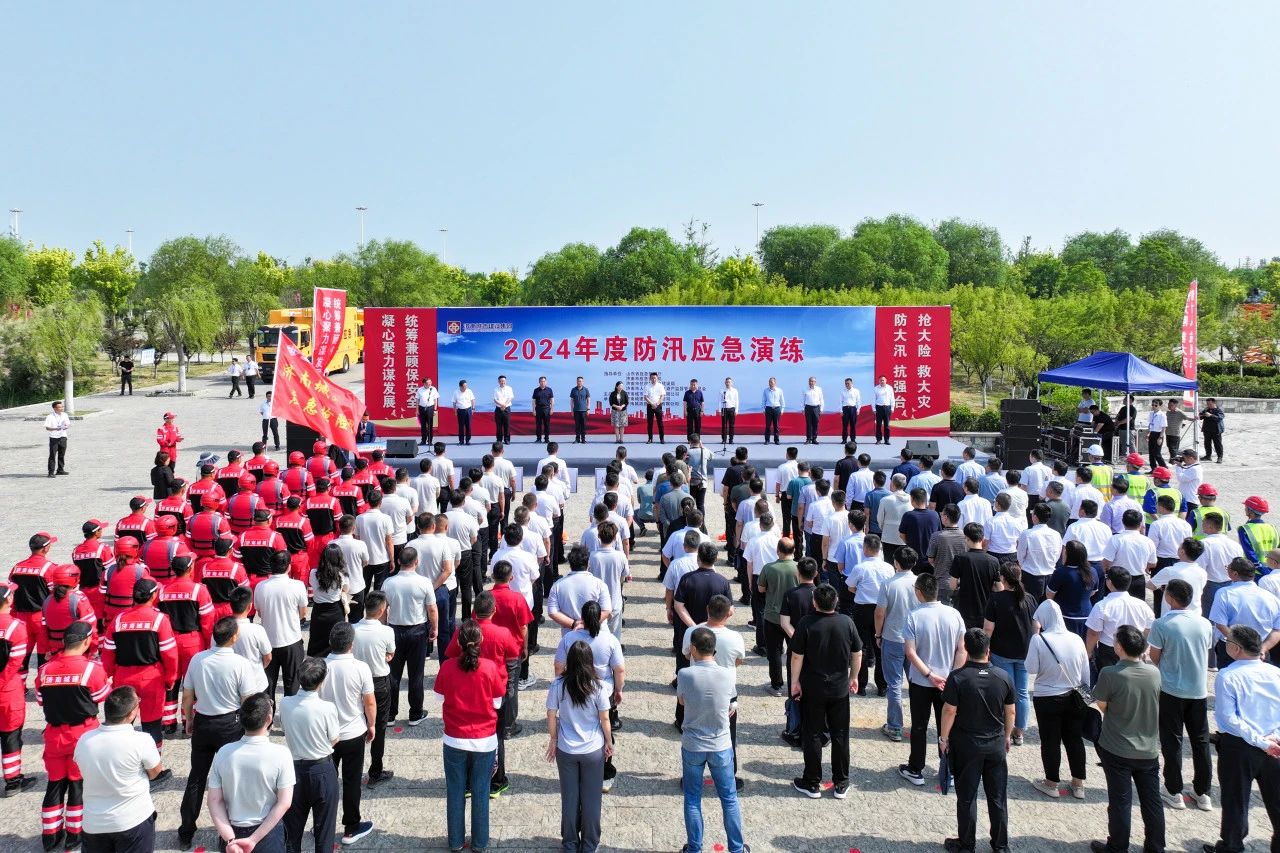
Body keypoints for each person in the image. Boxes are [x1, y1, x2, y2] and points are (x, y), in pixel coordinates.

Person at [178, 616, 268, 848]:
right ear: (234, 637)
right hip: (230, 724)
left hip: (203, 722)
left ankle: (186, 830)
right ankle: (230, 830)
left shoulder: (198, 659)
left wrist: (189, 720)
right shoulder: (241, 664)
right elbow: (247, 700)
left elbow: (187, 696)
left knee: (197, 777)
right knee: (232, 778)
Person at [35, 621, 109, 852]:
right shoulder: (91, 670)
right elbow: (101, 695)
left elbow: (40, 699)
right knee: (78, 784)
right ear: (86, 642)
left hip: (54, 735)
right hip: (82, 735)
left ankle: (50, 835)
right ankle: (74, 834)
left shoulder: (44, 670)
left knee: (55, 784)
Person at [1090, 625, 1165, 853]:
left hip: (1117, 747)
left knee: (1120, 801)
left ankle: (1118, 846)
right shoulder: (1154, 673)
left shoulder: (1110, 673)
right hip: (1148, 748)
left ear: (1120, 647)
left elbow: (1102, 705)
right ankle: (1155, 846)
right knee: (1152, 801)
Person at [939, 628, 1014, 853]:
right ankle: (1000, 845)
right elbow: (1010, 711)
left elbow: (949, 711)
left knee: (967, 797)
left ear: (966, 649)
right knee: (997, 797)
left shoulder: (958, 677)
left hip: (967, 745)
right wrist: (1007, 736)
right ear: (988, 650)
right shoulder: (1003, 677)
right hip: (995, 744)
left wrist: (943, 738)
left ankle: (967, 844)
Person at [1207, 624, 1280, 853]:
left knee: (1235, 800)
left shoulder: (1228, 675)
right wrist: (1272, 738)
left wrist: (1260, 741)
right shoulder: (1276, 673)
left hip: (1240, 746)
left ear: (1236, 648)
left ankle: (1232, 846)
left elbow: (1229, 719)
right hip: (1275, 744)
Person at [1146, 578, 1216, 813]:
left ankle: (1173, 789)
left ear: (1170, 598)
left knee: (1172, 740)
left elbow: (1154, 656)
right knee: (1200, 741)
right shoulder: (1204, 624)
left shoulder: (1162, 624)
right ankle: (1203, 791)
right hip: (1198, 690)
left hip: (1171, 689)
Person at [434, 620, 505, 853]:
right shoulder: (490, 668)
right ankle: (480, 842)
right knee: (481, 791)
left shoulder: (447, 667)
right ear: (481, 640)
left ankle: (455, 841)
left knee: (455, 791)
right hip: (484, 739)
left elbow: (439, 698)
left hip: (454, 738)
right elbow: (497, 703)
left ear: (458, 642)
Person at [678, 627, 748, 853]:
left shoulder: (685, 674)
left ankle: (694, 848)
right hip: (720, 743)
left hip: (693, 743)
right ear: (714, 649)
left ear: (694, 649)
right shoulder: (727, 675)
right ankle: (737, 848)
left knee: (692, 798)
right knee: (729, 798)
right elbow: (730, 702)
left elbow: (682, 701)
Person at [790, 583, 861, 799]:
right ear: (836, 601)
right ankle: (841, 782)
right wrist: (854, 676)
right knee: (840, 734)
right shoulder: (846, 622)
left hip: (813, 687)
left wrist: (795, 681)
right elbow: (857, 652)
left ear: (814, 602)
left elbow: (797, 656)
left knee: (812, 733)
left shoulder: (806, 623)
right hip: (839, 688)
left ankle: (812, 782)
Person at [75, 686, 167, 853]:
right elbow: (155, 773)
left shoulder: (85, 740)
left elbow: (83, 770)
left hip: (94, 822)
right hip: (133, 820)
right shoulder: (142, 740)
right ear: (131, 714)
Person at [900, 574, 967, 786]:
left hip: (921, 681)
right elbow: (962, 649)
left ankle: (916, 768)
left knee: (919, 726)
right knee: (946, 725)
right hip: (948, 681)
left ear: (919, 592)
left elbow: (910, 652)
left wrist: (929, 674)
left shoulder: (913, 616)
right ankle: (948, 768)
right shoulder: (954, 614)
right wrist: (953, 675)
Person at [207, 693, 295, 853]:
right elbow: (284, 802)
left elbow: (214, 800)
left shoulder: (224, 752)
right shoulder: (281, 754)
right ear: (269, 719)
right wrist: (253, 839)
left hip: (232, 831)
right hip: (268, 833)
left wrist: (230, 839)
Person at [547, 639, 612, 852]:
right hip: (592, 750)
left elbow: (551, 715)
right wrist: (609, 741)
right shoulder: (598, 686)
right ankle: (590, 844)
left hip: (566, 749)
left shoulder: (558, 685)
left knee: (570, 798)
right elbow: (605, 719)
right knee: (592, 799)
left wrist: (553, 739)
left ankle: (570, 843)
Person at [101, 579, 177, 750]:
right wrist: (170, 678)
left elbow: (107, 653)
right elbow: (170, 654)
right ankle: (153, 760)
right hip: (152, 678)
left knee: (121, 725)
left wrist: (110, 675)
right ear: (154, 595)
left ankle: (123, 757)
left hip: (123, 678)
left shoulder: (118, 620)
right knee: (152, 725)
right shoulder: (159, 619)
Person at [1026, 599, 1091, 800]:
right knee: (1074, 739)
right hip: (1075, 696)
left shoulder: (1039, 640)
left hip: (1047, 697)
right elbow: (1085, 672)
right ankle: (1078, 784)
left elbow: (1031, 668)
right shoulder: (1077, 639)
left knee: (1050, 740)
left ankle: (1051, 783)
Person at [320, 623, 376, 844]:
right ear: (351, 644)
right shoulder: (361, 668)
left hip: (326, 735)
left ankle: (322, 825)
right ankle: (351, 827)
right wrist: (371, 725)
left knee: (327, 782)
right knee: (352, 781)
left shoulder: (320, 666)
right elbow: (369, 702)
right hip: (353, 733)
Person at [279, 657, 340, 853]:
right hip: (322, 770)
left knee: (292, 833)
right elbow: (334, 739)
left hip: (294, 770)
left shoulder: (285, 703)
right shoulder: (327, 708)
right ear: (321, 680)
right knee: (324, 834)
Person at [383, 548, 439, 726]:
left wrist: (383, 630)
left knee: (393, 674)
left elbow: (383, 610)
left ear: (399, 561)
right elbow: (432, 609)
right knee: (416, 674)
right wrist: (434, 628)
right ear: (416, 562)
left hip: (394, 631)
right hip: (417, 631)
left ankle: (390, 714)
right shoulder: (424, 582)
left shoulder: (388, 583)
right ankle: (415, 713)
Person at [983, 563, 1037, 745]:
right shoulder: (1030, 599)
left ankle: (1005, 727)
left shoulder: (996, 599)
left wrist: (985, 649)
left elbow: (988, 628)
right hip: (1025, 652)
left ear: (1003, 579)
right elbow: (1035, 626)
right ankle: (1019, 732)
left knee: (1005, 691)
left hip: (1002, 651)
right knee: (1022, 692)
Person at [352, 592, 396, 787]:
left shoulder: (353, 629)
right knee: (379, 727)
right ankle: (375, 771)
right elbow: (390, 652)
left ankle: (354, 769)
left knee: (358, 726)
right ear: (381, 610)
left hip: (357, 682)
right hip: (379, 683)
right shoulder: (387, 631)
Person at [875, 546, 918, 742]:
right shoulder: (920, 583)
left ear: (896, 563)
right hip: (916, 640)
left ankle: (895, 726)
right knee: (916, 684)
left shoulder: (888, 584)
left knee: (894, 684)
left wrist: (878, 634)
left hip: (892, 637)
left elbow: (879, 613)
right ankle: (918, 725)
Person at [1208, 556, 1280, 671]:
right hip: (1260, 652)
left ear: (1235, 574)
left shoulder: (1224, 593)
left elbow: (1220, 625)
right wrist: (1262, 649)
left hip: (1232, 650)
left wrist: (1242, 647)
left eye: (1227, 568)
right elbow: (1277, 630)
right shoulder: (1271, 598)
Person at [759, 539, 800, 696]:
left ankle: (776, 685)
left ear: (778, 551)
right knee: (794, 652)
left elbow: (761, 588)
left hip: (773, 616)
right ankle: (793, 683)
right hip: (793, 618)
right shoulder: (798, 568)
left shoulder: (769, 568)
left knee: (774, 653)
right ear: (794, 550)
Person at [950, 522, 1000, 630]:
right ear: (982, 538)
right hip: (986, 611)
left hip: (964, 610)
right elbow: (999, 588)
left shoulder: (960, 558)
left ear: (967, 538)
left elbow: (952, 586)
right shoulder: (994, 561)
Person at [45, 400, 70, 478]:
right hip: (54, 438)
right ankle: (51, 472)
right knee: (52, 455)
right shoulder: (50, 416)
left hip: (63, 436)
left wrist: (66, 426)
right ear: (54, 408)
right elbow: (47, 427)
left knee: (62, 454)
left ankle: (60, 470)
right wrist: (55, 429)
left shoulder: (65, 415)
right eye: (60, 407)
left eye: (62, 407)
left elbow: (68, 424)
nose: (62, 408)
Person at [1198, 397, 1225, 463]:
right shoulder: (1206, 409)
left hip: (1216, 430)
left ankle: (1219, 457)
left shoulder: (1219, 410)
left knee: (1217, 444)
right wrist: (1201, 415)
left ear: (1214, 403)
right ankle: (1208, 456)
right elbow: (1201, 417)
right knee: (1207, 444)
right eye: (1207, 404)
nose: (1208, 405)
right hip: (1207, 430)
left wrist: (1211, 415)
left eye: (1210, 404)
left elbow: (1219, 418)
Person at [532, 375, 555, 443]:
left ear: (546, 382)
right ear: (539, 382)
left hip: (547, 409)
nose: (543, 382)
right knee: (538, 425)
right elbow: (533, 401)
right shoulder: (536, 390)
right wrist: (533, 410)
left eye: (544, 381)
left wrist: (552, 409)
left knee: (546, 425)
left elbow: (552, 400)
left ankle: (546, 438)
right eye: (541, 381)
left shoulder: (549, 390)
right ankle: (538, 439)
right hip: (538, 409)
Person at [838, 377, 861, 445]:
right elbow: (840, 402)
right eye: (846, 383)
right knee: (845, 425)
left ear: (852, 383)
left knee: (853, 425)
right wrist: (841, 410)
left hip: (853, 409)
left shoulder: (856, 391)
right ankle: (844, 439)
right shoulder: (842, 391)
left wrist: (858, 409)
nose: (847, 385)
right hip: (845, 409)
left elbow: (858, 401)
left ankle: (853, 440)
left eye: (848, 383)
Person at [416, 378, 439, 446]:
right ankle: (423, 440)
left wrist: (435, 409)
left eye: (430, 382)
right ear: (424, 383)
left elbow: (435, 400)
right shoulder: (420, 390)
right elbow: (417, 400)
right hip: (422, 408)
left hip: (430, 408)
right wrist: (417, 410)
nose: (430, 384)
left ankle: (429, 441)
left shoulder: (433, 389)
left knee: (430, 425)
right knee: (423, 426)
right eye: (428, 383)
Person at [801, 376, 823, 444]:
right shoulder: (805, 389)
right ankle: (808, 439)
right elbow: (802, 400)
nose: (812, 382)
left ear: (815, 382)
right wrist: (802, 409)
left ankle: (814, 439)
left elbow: (821, 399)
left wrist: (821, 409)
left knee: (815, 424)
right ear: (808, 382)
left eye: (813, 381)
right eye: (810, 381)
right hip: (808, 408)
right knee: (809, 424)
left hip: (816, 408)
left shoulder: (819, 389)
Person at [873, 375, 895, 444]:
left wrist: (892, 407)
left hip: (887, 408)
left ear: (886, 380)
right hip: (879, 408)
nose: (882, 381)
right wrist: (874, 409)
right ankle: (878, 440)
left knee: (887, 425)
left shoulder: (889, 388)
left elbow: (892, 398)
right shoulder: (876, 388)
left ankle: (887, 440)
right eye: (881, 380)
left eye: (883, 380)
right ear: (879, 381)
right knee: (878, 425)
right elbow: (873, 399)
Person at [761, 377, 784, 445]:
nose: (770, 383)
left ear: (775, 383)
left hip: (777, 409)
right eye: (769, 382)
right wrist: (763, 409)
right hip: (768, 409)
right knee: (768, 425)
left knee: (776, 426)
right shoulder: (766, 390)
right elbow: (763, 400)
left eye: (772, 382)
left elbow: (782, 401)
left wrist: (782, 410)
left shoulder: (779, 390)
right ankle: (767, 440)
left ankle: (776, 440)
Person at [569, 376, 591, 443]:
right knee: (577, 426)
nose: (579, 382)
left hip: (584, 411)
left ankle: (583, 439)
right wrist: (572, 410)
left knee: (583, 425)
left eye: (581, 381)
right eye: (578, 381)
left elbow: (588, 400)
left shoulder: (586, 390)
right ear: (576, 382)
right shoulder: (573, 390)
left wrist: (588, 409)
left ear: (583, 382)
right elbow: (571, 401)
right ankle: (577, 439)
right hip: (576, 410)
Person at [453, 379, 476, 446]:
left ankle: (468, 440)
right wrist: (455, 411)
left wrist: (473, 408)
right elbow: (454, 402)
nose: (466, 387)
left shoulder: (469, 391)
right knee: (461, 426)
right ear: (460, 386)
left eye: (466, 386)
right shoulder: (456, 392)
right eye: (464, 386)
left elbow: (472, 400)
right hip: (460, 411)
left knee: (468, 426)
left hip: (468, 410)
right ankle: (461, 441)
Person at [492, 375, 513, 444]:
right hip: (498, 409)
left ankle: (507, 439)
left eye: (503, 381)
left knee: (507, 425)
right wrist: (501, 405)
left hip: (507, 409)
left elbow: (510, 398)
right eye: (501, 381)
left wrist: (504, 405)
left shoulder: (509, 388)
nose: (502, 382)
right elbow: (495, 399)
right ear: (498, 382)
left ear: (505, 381)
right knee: (499, 425)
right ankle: (499, 440)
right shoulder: (496, 389)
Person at [717, 377, 738, 445]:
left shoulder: (735, 390)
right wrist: (720, 410)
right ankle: (724, 439)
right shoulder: (722, 391)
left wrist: (736, 410)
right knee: (724, 425)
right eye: (727, 382)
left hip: (732, 409)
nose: (728, 383)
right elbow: (720, 401)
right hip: (724, 409)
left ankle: (731, 440)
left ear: (731, 383)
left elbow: (737, 401)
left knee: (732, 425)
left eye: (729, 382)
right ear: (725, 383)